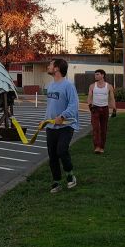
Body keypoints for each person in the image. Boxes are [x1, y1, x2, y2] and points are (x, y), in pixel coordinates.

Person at [44, 58, 79, 193]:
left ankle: (70, 175)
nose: (48, 66)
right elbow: (51, 106)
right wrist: (45, 121)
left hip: (66, 126)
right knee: (52, 155)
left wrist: (63, 116)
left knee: (62, 151)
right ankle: (57, 182)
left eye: (50, 64)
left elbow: (73, 105)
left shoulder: (68, 85)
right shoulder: (50, 85)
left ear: (57, 68)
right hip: (51, 127)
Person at [87, 69, 117, 154]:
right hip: (95, 109)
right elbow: (89, 97)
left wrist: (114, 109)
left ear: (102, 75)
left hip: (105, 109)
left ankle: (102, 147)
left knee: (104, 129)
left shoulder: (109, 86)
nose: (95, 76)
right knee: (96, 128)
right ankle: (97, 147)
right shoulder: (92, 86)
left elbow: (112, 98)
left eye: (97, 74)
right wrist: (90, 107)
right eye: (95, 74)